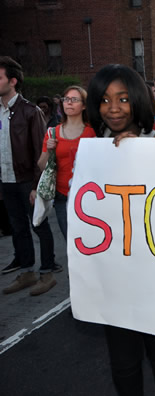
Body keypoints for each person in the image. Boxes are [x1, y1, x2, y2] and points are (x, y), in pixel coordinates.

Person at [87, 63, 155, 396]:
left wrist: (143, 151)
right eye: (105, 99)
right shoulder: (92, 152)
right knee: (123, 363)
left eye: (123, 99)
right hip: (115, 282)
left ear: (138, 101)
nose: (114, 108)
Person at [0, 56, 58, 295]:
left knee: (39, 226)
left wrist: (37, 185)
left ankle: (47, 273)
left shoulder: (30, 112)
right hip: (7, 180)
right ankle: (27, 271)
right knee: (18, 227)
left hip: (27, 181)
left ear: (12, 81)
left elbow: (40, 150)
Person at [37, 86, 95, 241]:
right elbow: (42, 166)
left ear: (83, 105)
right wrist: (49, 150)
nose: (69, 103)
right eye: (66, 99)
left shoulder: (94, 132)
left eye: (74, 99)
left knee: (91, 242)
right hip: (62, 197)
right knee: (71, 243)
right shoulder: (52, 132)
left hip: (90, 195)